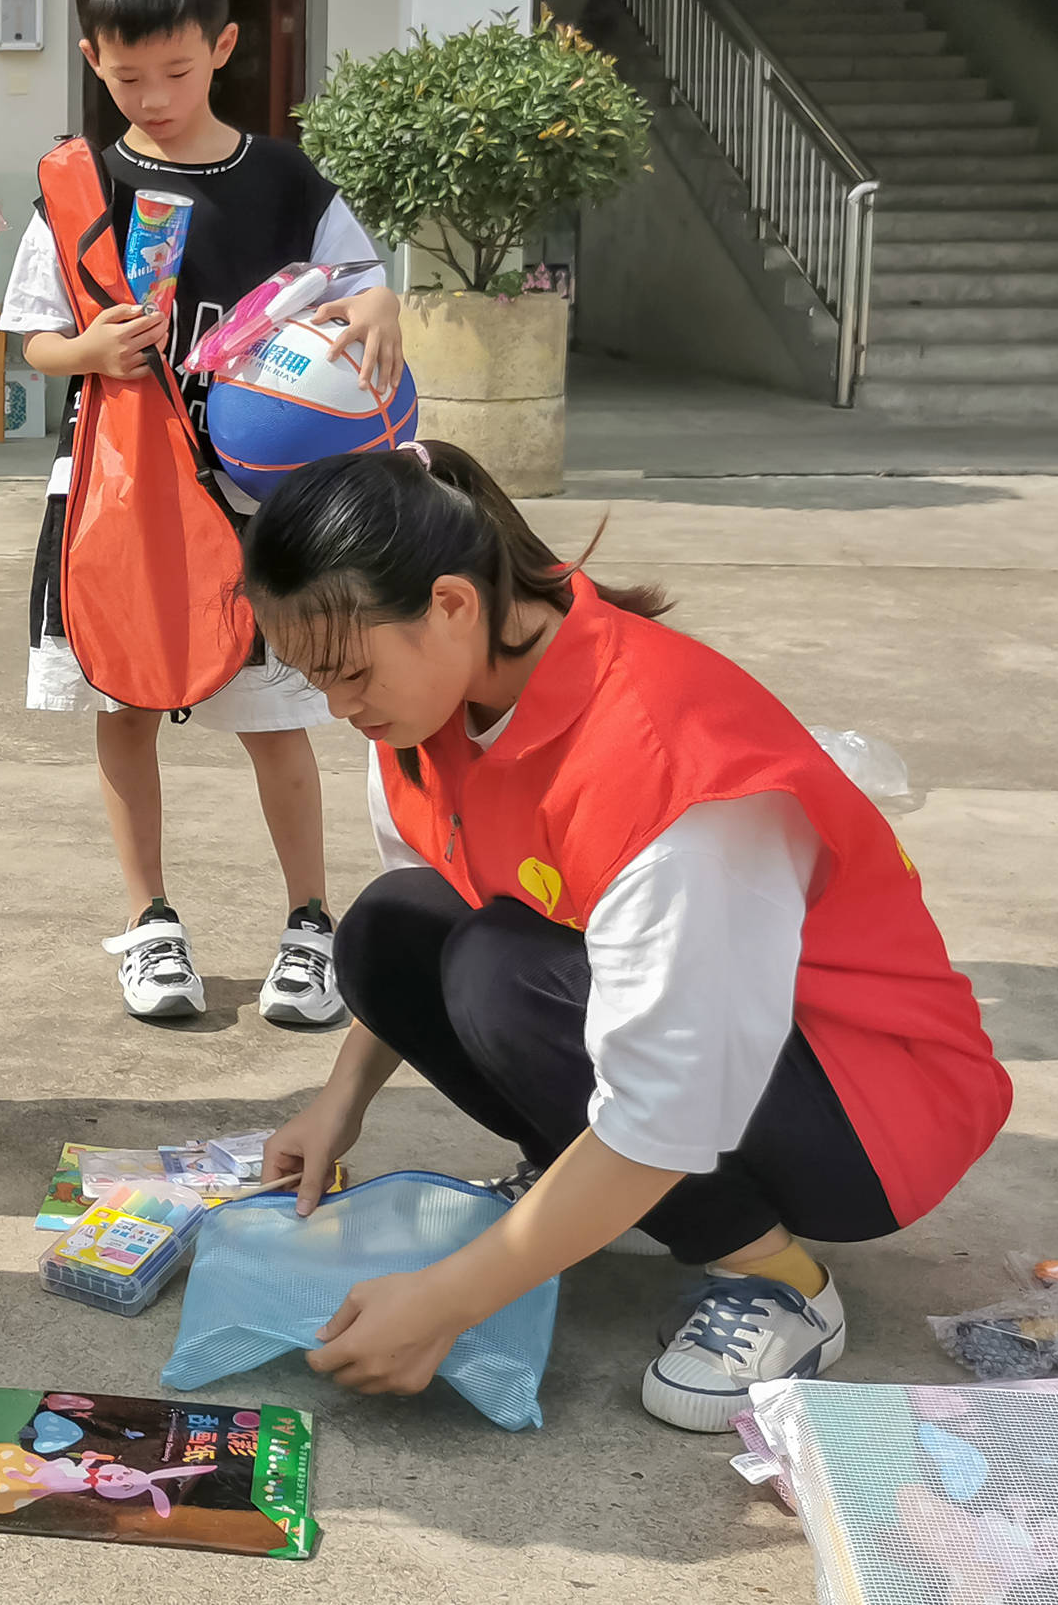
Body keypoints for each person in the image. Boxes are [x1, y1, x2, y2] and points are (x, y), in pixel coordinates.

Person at [247, 442, 1010, 1431]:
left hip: (868, 1108)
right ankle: (580, 1188)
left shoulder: (663, 765)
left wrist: (450, 1299)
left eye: (349, 672)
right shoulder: (428, 710)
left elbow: (671, 1104)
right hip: (720, 1044)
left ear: (451, 605)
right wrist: (336, 1107)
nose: (342, 709)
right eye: (316, 682)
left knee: (496, 971)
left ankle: (779, 1282)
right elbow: (435, 896)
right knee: (392, 931)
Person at [0, 0, 402, 1030]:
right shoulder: (83, 187)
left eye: (176, 71)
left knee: (277, 717)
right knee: (123, 708)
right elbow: (32, 334)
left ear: (222, 46)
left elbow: (363, 285)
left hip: (257, 510)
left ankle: (310, 926)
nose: (155, 94)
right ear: (91, 58)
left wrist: (375, 307)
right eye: (128, 76)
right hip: (117, 503)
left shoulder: (283, 181)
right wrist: (89, 352)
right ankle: (151, 924)